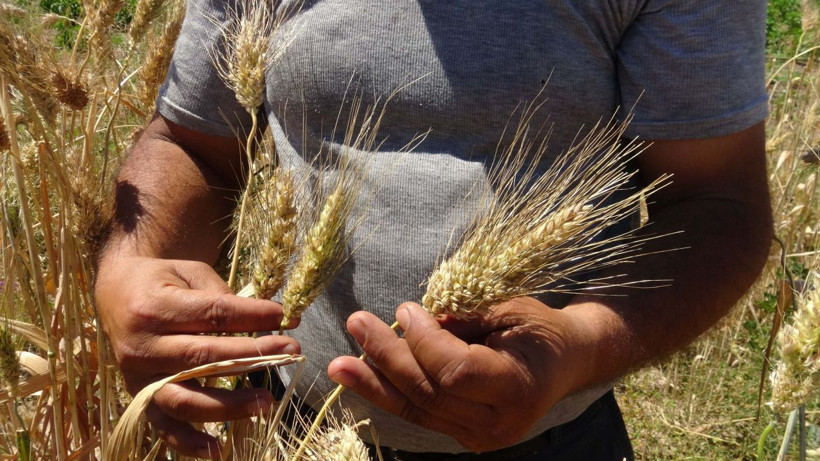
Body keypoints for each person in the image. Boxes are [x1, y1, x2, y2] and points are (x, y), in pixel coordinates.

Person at [94, 1, 774, 459]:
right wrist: (134, 261)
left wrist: (581, 345)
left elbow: (720, 201)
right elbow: (191, 140)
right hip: (286, 427)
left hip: (552, 439)